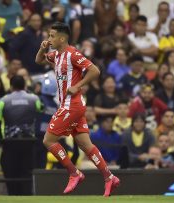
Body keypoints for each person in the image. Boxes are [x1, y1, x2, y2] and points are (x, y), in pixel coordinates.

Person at [35, 22, 120, 197]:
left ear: (62, 38)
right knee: (85, 145)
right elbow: (38, 60)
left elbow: (94, 71)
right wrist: (42, 48)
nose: (49, 39)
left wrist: (78, 85)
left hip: (71, 105)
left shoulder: (72, 54)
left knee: (48, 141)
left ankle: (74, 173)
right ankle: (109, 177)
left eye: (51, 36)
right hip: (72, 106)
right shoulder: (56, 55)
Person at [0, 75, 42, 195]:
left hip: (10, 143)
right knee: (27, 172)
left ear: (11, 86)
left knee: (11, 172)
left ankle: (13, 196)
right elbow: (41, 112)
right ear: (24, 85)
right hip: (28, 142)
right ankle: (27, 196)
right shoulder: (34, 99)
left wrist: (1, 140)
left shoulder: (3, 101)